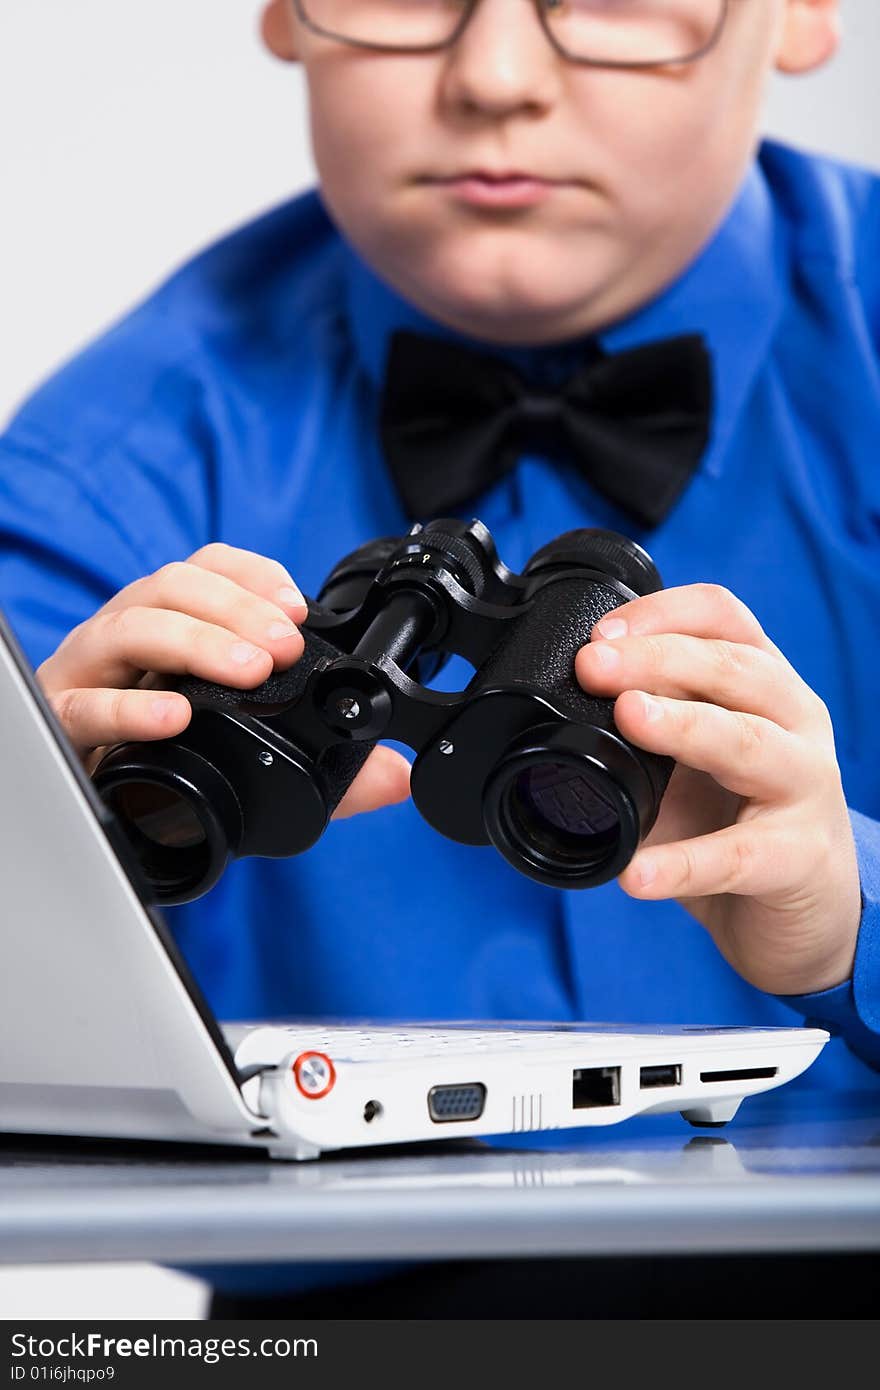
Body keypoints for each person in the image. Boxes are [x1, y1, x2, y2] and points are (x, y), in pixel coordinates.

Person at [1, 0, 878, 1317]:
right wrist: (36, 869)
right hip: (343, 1333)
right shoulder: (106, 463)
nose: (498, 76)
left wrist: (851, 904)